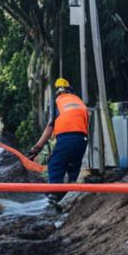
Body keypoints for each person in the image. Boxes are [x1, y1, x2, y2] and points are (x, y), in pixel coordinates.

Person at [28, 77, 89, 208]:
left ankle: (53, 197)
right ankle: (71, 190)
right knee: (73, 166)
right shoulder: (79, 101)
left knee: (55, 164)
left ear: (57, 92)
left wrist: (36, 148)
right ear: (69, 90)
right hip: (82, 140)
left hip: (66, 138)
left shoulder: (57, 101)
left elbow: (50, 127)